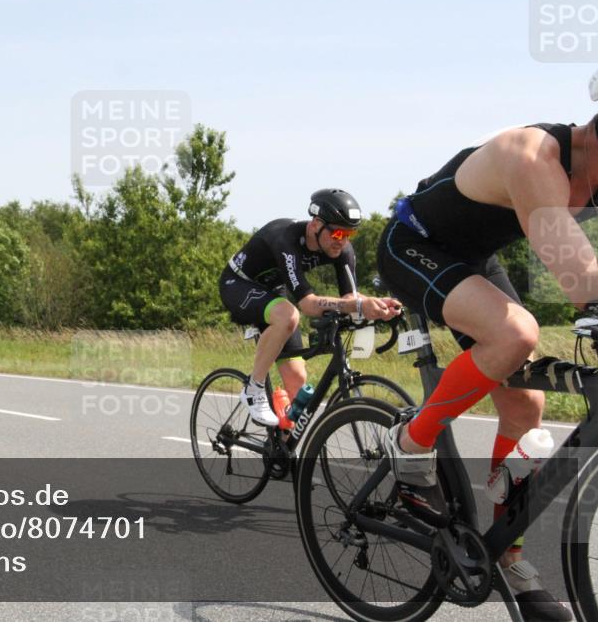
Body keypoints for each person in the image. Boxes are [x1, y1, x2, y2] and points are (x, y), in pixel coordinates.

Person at [376, 110, 598, 620]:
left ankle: (508, 559)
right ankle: (410, 442)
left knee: (526, 403)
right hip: (413, 243)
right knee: (516, 333)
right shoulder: (534, 157)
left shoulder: (590, 169)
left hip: (473, 258)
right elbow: (579, 277)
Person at [220, 189, 401, 425]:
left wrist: (377, 305)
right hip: (238, 283)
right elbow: (308, 304)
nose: (343, 240)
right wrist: (356, 304)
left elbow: (351, 297)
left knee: (297, 378)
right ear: (316, 224)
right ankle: (253, 389)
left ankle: (283, 451)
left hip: (273, 290)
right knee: (289, 314)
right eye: (337, 232)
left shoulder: (341, 249)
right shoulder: (286, 238)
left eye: (349, 234)